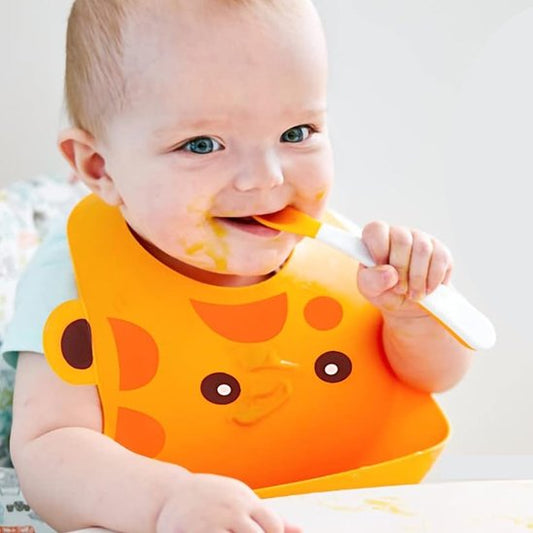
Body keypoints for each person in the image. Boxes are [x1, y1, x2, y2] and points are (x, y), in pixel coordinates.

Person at [4, 0, 473, 531]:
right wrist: (166, 502)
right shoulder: (77, 276)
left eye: (297, 133)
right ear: (99, 167)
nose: (266, 177)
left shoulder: (344, 253)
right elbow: (49, 449)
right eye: (202, 145)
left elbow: (435, 378)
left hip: (351, 506)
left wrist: (413, 316)